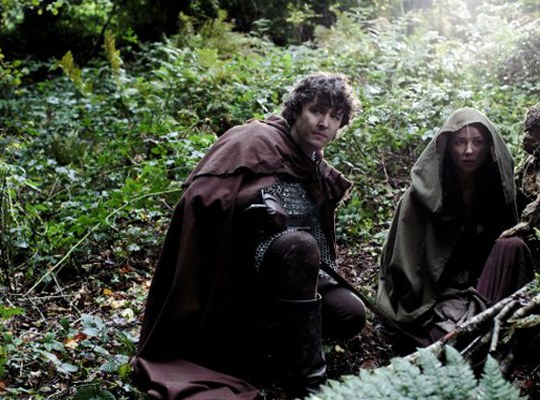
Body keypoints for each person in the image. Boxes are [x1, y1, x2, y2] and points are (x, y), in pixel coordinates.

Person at [132, 72, 366, 399]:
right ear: (297, 110)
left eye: (335, 116)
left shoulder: (313, 163)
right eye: (316, 111)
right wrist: (254, 203)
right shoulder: (252, 140)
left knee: (350, 315)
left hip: (295, 280)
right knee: (299, 245)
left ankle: (276, 345)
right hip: (238, 282)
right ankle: (309, 386)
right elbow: (201, 200)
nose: (324, 123)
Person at [376, 107, 535, 347]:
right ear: (448, 146)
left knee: (513, 246)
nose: (469, 151)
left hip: (482, 288)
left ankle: (489, 330)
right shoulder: (418, 199)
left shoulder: (494, 193)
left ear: (489, 146)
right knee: (442, 340)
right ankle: (470, 335)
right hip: (436, 299)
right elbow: (402, 269)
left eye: (477, 142)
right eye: (460, 142)